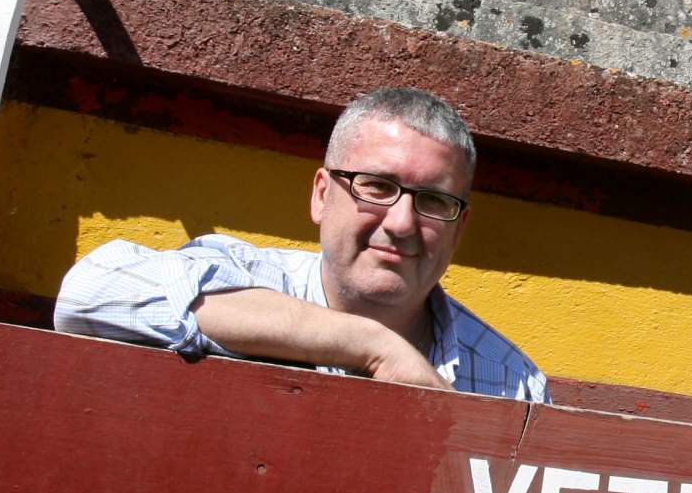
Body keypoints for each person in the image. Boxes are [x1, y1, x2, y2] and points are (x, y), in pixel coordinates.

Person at [54, 87, 548, 401]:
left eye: (434, 201)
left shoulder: (514, 385)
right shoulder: (248, 280)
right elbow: (91, 292)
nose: (401, 222)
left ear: (459, 229)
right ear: (321, 195)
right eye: (376, 186)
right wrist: (372, 346)